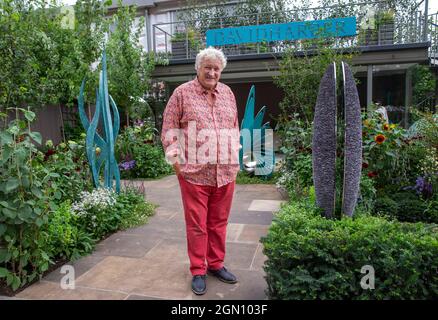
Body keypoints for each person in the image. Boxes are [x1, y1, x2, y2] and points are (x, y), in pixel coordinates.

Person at [161, 47, 240, 295]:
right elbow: (169, 128)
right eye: (208, 67)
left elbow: (234, 126)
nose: (212, 72)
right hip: (194, 173)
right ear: (198, 68)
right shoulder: (181, 94)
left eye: (217, 68)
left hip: (225, 172)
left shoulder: (227, 93)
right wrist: (176, 162)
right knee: (197, 226)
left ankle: (216, 264)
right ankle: (198, 269)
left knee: (219, 223)